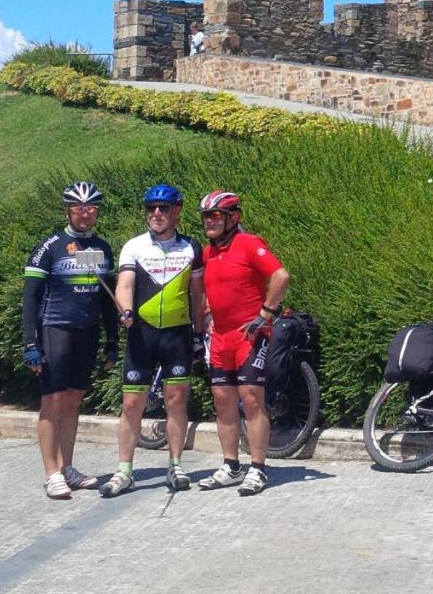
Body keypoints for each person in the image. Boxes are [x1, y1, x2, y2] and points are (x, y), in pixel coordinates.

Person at [100, 184, 206, 498]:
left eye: (163, 208)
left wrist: (200, 334)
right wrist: (126, 310)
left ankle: (175, 464)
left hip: (178, 335)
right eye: (151, 208)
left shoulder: (191, 247)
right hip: (141, 335)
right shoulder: (134, 246)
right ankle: (124, 471)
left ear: (177, 211)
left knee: (176, 401)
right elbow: (124, 285)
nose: (156, 214)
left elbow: (198, 296)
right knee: (132, 403)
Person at [22, 181, 117, 499]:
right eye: (79, 208)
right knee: (53, 401)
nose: (86, 213)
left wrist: (112, 342)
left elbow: (107, 300)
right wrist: (30, 343)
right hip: (56, 329)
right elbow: (31, 297)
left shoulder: (103, 248)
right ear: (68, 211)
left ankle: (68, 467)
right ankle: (51, 473)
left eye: (91, 208)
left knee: (75, 400)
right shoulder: (50, 245)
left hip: (87, 332)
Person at [196, 190, 290, 496]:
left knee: (251, 399)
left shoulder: (249, 243)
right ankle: (231, 465)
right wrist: (207, 314)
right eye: (206, 217)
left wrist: (265, 313)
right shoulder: (208, 251)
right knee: (222, 399)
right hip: (220, 336)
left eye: (215, 216)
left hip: (249, 335)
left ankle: (258, 468)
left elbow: (280, 276)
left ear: (233, 217)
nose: (209, 222)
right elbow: (208, 287)